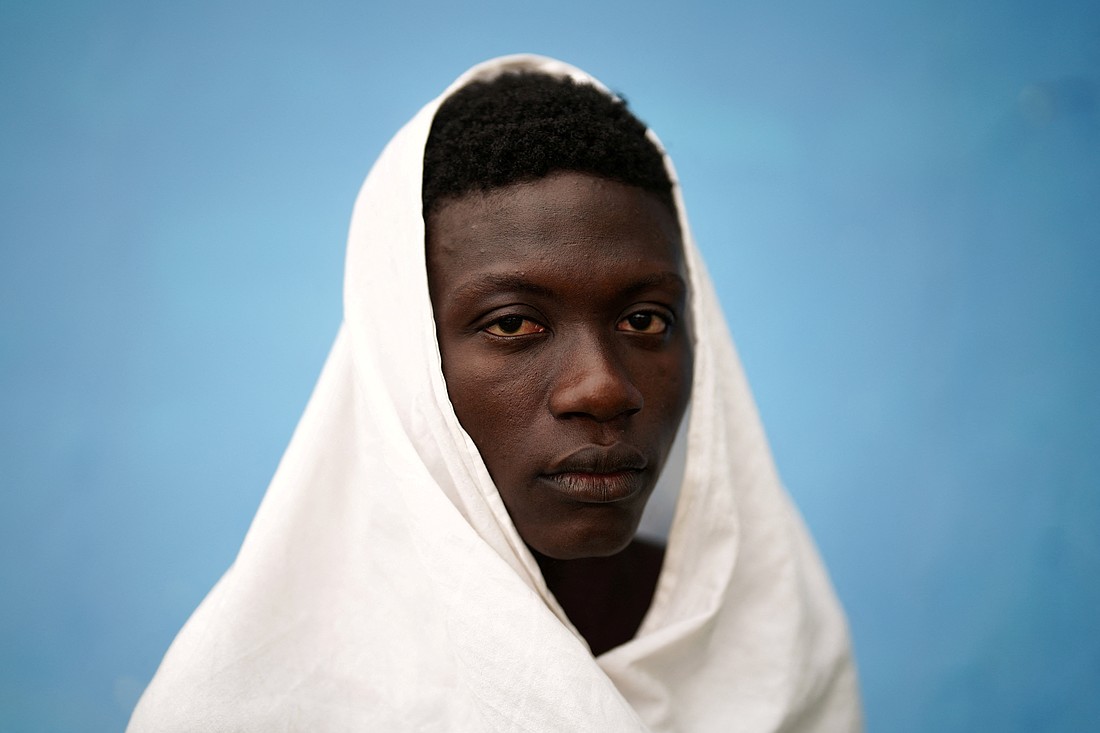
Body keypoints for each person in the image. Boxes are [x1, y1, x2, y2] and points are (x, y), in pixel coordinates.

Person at [129, 55, 861, 731]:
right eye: (513, 322)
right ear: (409, 358)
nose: (604, 385)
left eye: (645, 319)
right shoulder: (252, 698)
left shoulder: (771, 634)